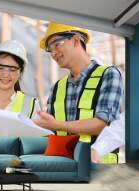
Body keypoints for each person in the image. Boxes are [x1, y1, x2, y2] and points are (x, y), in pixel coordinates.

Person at [33, 22, 124, 163]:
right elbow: (52, 131)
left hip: (98, 169)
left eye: (57, 44)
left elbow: (102, 124)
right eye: (49, 50)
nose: (53, 53)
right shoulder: (57, 87)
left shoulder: (109, 75)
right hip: (62, 166)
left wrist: (56, 125)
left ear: (76, 40)